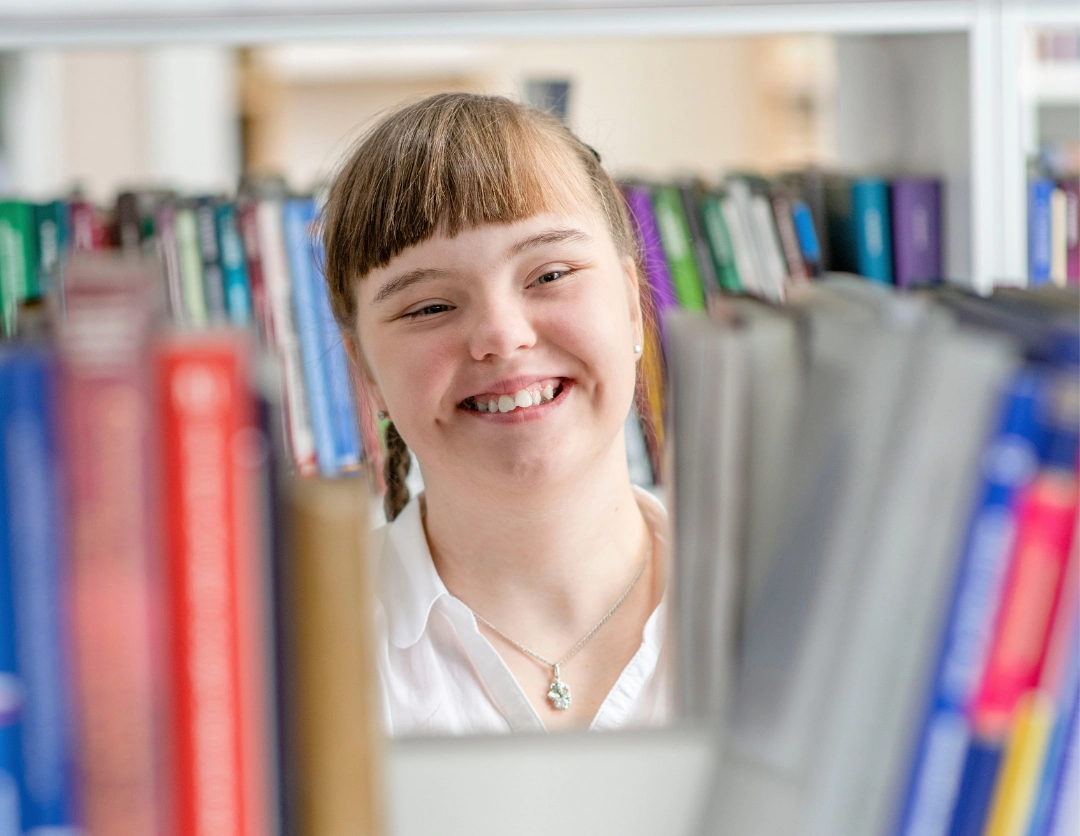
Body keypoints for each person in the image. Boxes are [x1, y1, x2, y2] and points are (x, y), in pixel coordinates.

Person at [322, 92, 670, 736]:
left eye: (550, 273)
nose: (502, 336)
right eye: (428, 307)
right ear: (363, 369)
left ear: (630, 305)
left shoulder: (785, 613)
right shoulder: (290, 656)